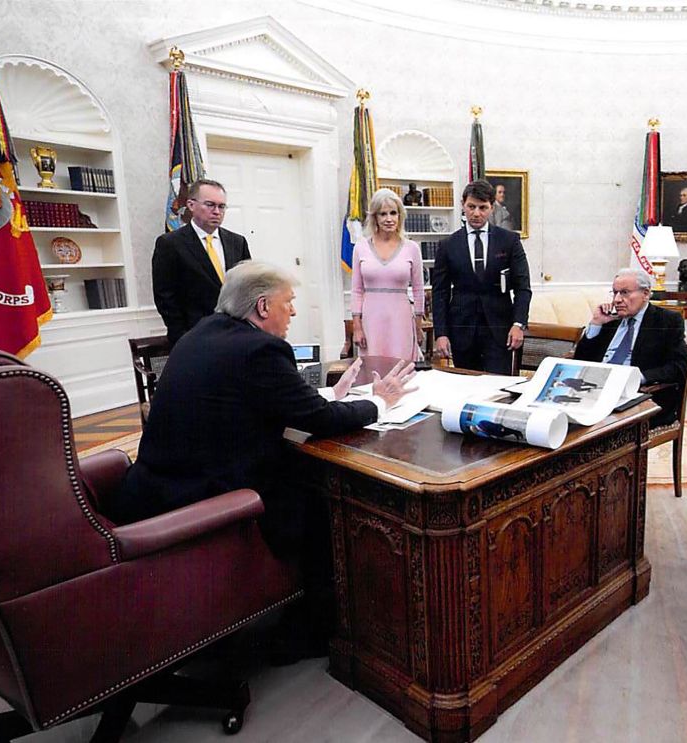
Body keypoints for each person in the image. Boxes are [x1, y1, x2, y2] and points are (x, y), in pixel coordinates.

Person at [113, 261, 415, 659]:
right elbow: (319, 422)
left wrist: (331, 396)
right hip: (202, 501)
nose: (292, 311)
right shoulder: (261, 349)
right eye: (287, 302)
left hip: (152, 488)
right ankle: (312, 630)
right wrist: (379, 401)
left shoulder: (199, 334)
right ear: (261, 307)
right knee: (324, 498)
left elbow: (260, 404)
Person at [432, 180, 532, 373]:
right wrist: (441, 334)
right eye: (471, 207)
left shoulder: (509, 241)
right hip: (462, 331)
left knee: (498, 388)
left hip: (500, 330)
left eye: (482, 208)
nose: (476, 213)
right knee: (466, 389)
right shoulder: (447, 245)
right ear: (463, 205)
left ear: (492, 207)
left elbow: (523, 287)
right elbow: (440, 293)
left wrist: (519, 324)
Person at [573, 268, 687, 427]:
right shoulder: (610, 320)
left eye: (624, 292)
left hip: (637, 396)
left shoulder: (666, 321)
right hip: (594, 391)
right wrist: (596, 324)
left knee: (592, 427)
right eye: (614, 292)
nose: (617, 299)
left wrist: (637, 377)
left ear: (646, 294)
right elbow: (580, 361)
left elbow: (678, 367)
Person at [152, 179, 251, 345]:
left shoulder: (237, 242)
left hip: (237, 332)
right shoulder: (170, 244)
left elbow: (248, 286)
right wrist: (183, 336)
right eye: (210, 205)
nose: (217, 212)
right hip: (195, 335)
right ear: (191, 205)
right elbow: (165, 296)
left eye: (221, 206)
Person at [351, 189, 426, 361]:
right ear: (375, 217)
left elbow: (418, 290)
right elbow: (356, 290)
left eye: (393, 213)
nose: (389, 219)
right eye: (383, 214)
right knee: (373, 370)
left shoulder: (412, 248)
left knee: (402, 370)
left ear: (400, 215)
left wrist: (418, 325)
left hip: (401, 319)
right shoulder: (360, 247)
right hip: (371, 319)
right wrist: (357, 327)